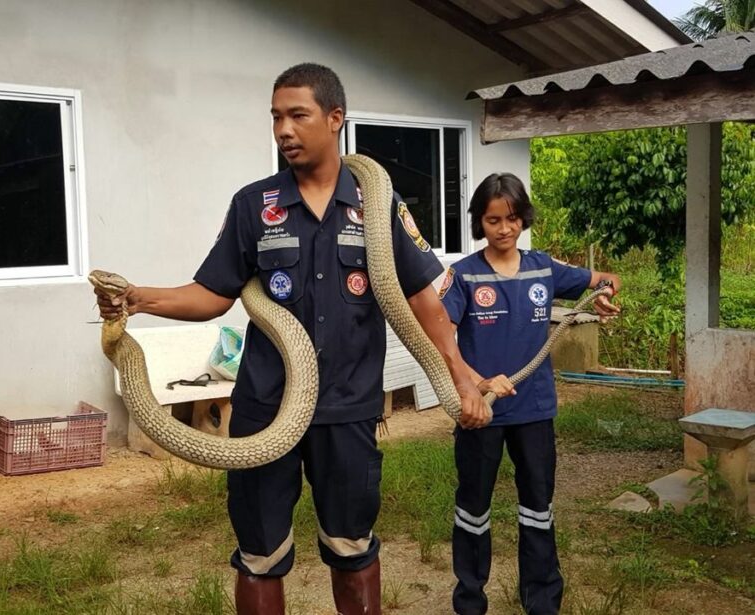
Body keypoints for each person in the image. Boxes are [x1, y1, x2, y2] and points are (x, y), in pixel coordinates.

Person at [95, 63, 488, 615]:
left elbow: (423, 298)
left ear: (334, 119)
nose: (283, 129)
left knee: (351, 547)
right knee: (259, 553)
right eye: (276, 117)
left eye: (297, 115)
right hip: (266, 409)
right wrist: (138, 297)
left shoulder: (378, 205)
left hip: (348, 408)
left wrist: (461, 375)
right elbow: (212, 293)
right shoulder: (254, 205)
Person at [439, 173, 621, 615]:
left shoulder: (545, 267)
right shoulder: (462, 275)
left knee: (538, 507)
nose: (504, 228)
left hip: (535, 411)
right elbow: (438, 338)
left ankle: (542, 602)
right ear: (479, 222)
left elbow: (607, 277)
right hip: (481, 413)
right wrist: (477, 383)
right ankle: (469, 601)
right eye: (494, 219)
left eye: (513, 218)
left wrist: (603, 294)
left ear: (524, 218)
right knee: (473, 509)